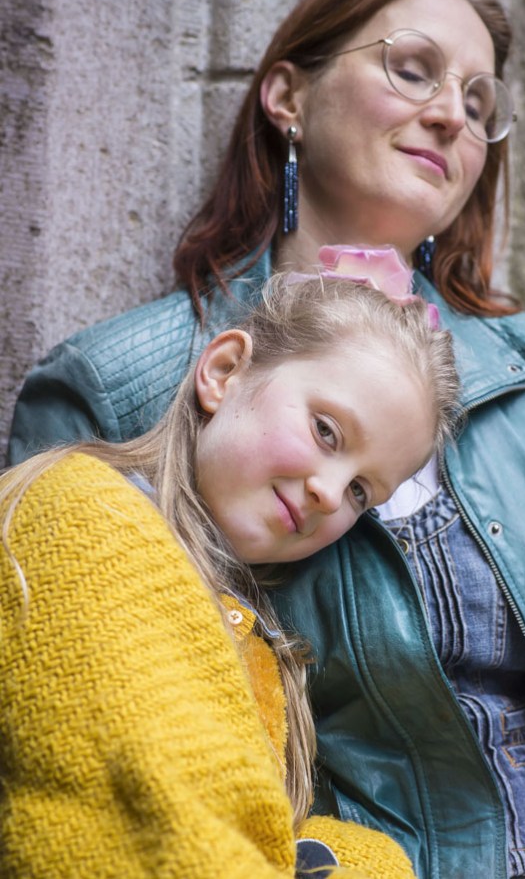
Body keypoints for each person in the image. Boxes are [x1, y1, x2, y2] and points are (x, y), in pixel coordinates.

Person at [6, 0, 525, 879]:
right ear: (287, 94)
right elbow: (99, 737)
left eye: (480, 105)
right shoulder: (113, 386)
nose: (452, 113)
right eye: (412, 68)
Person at [1, 258, 461, 878]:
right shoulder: (83, 517)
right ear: (223, 371)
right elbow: (166, 841)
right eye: (326, 432)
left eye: (362, 493)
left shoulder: (260, 642)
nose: (331, 493)